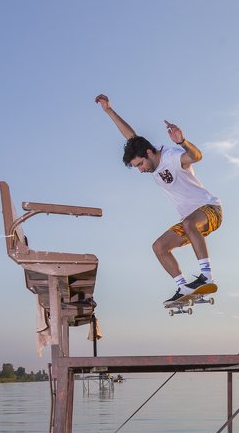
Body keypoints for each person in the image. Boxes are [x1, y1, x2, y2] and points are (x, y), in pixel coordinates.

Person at [95, 94, 222, 304]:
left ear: (149, 153)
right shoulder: (148, 157)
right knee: (159, 247)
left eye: (140, 165)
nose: (140, 170)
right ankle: (183, 287)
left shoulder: (172, 156)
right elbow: (131, 137)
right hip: (191, 223)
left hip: (210, 210)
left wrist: (182, 141)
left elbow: (196, 157)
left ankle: (206, 275)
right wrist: (109, 111)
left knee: (188, 223)